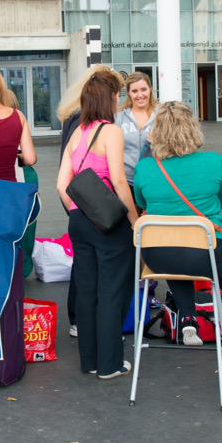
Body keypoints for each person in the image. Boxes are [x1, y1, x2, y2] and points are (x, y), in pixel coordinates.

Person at [133, 101, 222, 395]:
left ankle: (187, 314)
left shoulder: (145, 168)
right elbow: (220, 199)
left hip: (158, 255)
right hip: (206, 251)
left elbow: (141, 204)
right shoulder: (214, 163)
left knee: (176, 253)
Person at [56, 68, 138, 380]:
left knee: (88, 291)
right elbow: (118, 179)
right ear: (110, 99)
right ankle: (110, 364)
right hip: (108, 224)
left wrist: (80, 211)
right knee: (112, 291)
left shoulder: (78, 132)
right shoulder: (111, 131)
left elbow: (62, 185)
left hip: (79, 221)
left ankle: (89, 361)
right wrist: (134, 221)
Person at [55, 65, 115, 338]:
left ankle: (82, 321)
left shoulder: (73, 117)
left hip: (78, 199)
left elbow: (64, 171)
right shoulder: (87, 121)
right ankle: (85, 320)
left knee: (84, 262)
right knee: (93, 266)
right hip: (91, 200)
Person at [115, 72, 157, 189]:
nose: (140, 95)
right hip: (126, 181)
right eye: (134, 91)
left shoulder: (161, 117)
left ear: (150, 89)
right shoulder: (119, 118)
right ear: (129, 93)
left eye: (143, 89)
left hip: (154, 179)